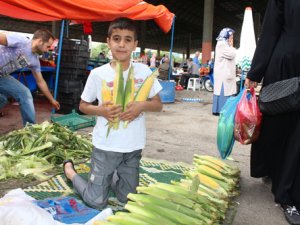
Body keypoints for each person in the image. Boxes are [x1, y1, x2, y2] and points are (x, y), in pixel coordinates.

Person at [63, 17, 163, 209]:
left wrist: (141, 105)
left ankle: (112, 175)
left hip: (133, 147)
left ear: (135, 44)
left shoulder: (144, 72)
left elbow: (158, 105)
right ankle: (70, 172)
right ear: (108, 41)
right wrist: (101, 110)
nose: (122, 44)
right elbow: (83, 106)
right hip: (105, 146)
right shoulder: (98, 74)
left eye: (127, 39)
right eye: (116, 39)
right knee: (96, 201)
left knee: (128, 200)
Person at [245, 0, 300, 224]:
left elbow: (269, 31)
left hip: (284, 62)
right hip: (285, 64)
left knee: (289, 131)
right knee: (283, 127)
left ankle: (286, 192)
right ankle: (283, 188)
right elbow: (270, 31)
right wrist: (255, 71)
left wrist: (257, 71)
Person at [0, 29, 60, 126]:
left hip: (2, 76)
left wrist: (51, 99)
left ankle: (30, 129)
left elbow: (40, 81)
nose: (48, 50)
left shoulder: (34, 60)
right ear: (40, 41)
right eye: (47, 46)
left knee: (23, 93)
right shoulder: (21, 41)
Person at [212, 28, 236, 116]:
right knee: (223, 91)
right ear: (226, 35)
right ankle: (220, 110)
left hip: (224, 73)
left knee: (223, 91)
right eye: (231, 36)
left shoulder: (223, 44)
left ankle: (219, 110)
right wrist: (232, 46)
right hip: (223, 74)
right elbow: (232, 54)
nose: (232, 38)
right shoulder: (222, 44)